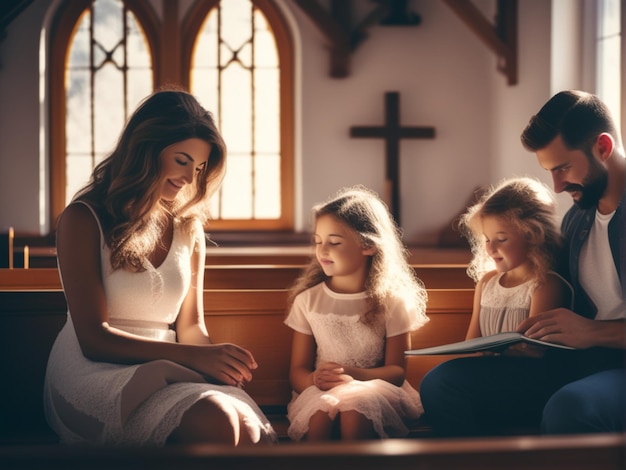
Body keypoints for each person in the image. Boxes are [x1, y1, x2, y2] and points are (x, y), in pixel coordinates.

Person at [43, 89, 277, 446]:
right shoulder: (83, 218)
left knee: (244, 429)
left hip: (171, 363)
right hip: (94, 371)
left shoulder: (188, 227)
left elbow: (191, 326)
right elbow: (93, 339)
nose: (188, 177)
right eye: (182, 160)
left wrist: (216, 361)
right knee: (217, 421)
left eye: (198, 168)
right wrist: (192, 357)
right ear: (146, 147)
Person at [419, 90, 625, 437]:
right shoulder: (577, 221)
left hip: (615, 367)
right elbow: (542, 278)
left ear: (603, 148)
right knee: (442, 383)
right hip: (574, 363)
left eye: (563, 168)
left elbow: (585, 329)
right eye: (549, 171)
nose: (557, 186)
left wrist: (592, 332)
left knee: (570, 408)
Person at [284, 185, 429, 441]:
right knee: (321, 415)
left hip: (374, 390)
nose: (322, 250)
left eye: (334, 242)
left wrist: (353, 375)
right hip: (320, 390)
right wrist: (314, 379)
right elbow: (298, 370)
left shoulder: (391, 302)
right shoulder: (308, 300)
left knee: (355, 409)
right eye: (318, 242)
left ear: (368, 246)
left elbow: (396, 372)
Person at [459, 176, 572, 342]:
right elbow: (470, 344)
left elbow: (535, 350)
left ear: (532, 235)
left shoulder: (544, 286)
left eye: (502, 239)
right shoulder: (486, 283)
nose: (490, 248)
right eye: (487, 239)